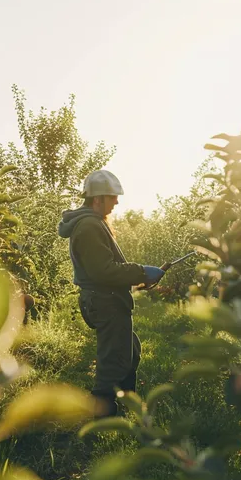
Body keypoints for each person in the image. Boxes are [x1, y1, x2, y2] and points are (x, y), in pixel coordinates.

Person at [57, 170, 165, 417]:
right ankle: (102, 416)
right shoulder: (89, 226)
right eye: (112, 197)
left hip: (107, 298)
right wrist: (140, 272)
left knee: (130, 350)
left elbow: (104, 269)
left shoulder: (93, 223)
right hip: (104, 301)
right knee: (113, 360)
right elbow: (102, 271)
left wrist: (139, 279)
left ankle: (126, 405)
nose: (116, 202)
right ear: (97, 199)